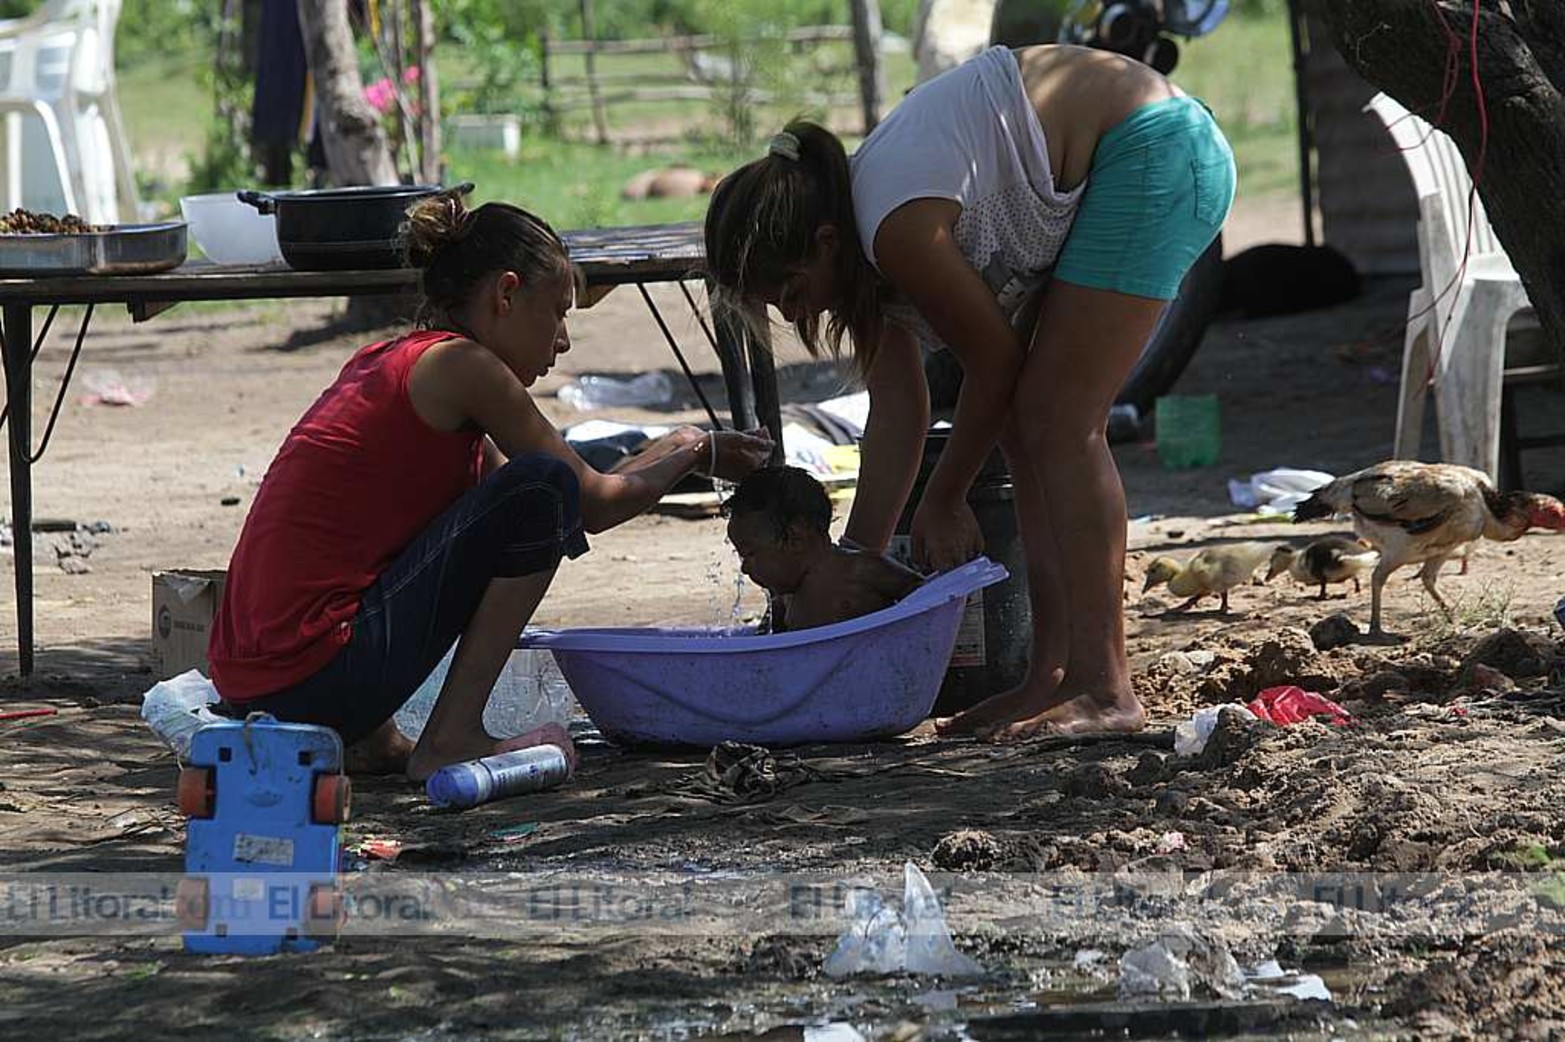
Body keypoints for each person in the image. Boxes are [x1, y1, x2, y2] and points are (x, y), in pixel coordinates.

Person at [704, 44, 1234, 740]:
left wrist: (945, 496)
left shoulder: (894, 228)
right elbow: (897, 411)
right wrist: (854, 560)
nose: (798, 317)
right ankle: (1049, 676)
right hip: (1123, 154)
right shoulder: (864, 253)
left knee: (1058, 421)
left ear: (825, 242)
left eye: (793, 294)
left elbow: (994, 363)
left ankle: (1105, 687)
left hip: (1155, 147)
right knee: (1027, 427)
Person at [208, 189, 773, 780]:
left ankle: (374, 739)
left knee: (524, 494)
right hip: (308, 682)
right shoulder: (465, 368)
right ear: (505, 294)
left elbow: (556, 498)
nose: (563, 340)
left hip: (256, 692)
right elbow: (584, 501)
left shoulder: (395, 361)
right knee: (542, 489)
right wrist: (695, 450)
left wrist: (678, 447)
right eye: (557, 312)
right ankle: (450, 736)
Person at [726, 465, 923, 631]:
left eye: (749, 554)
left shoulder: (860, 569)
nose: (744, 569)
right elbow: (767, 649)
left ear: (796, 538)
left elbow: (922, 594)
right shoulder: (785, 602)